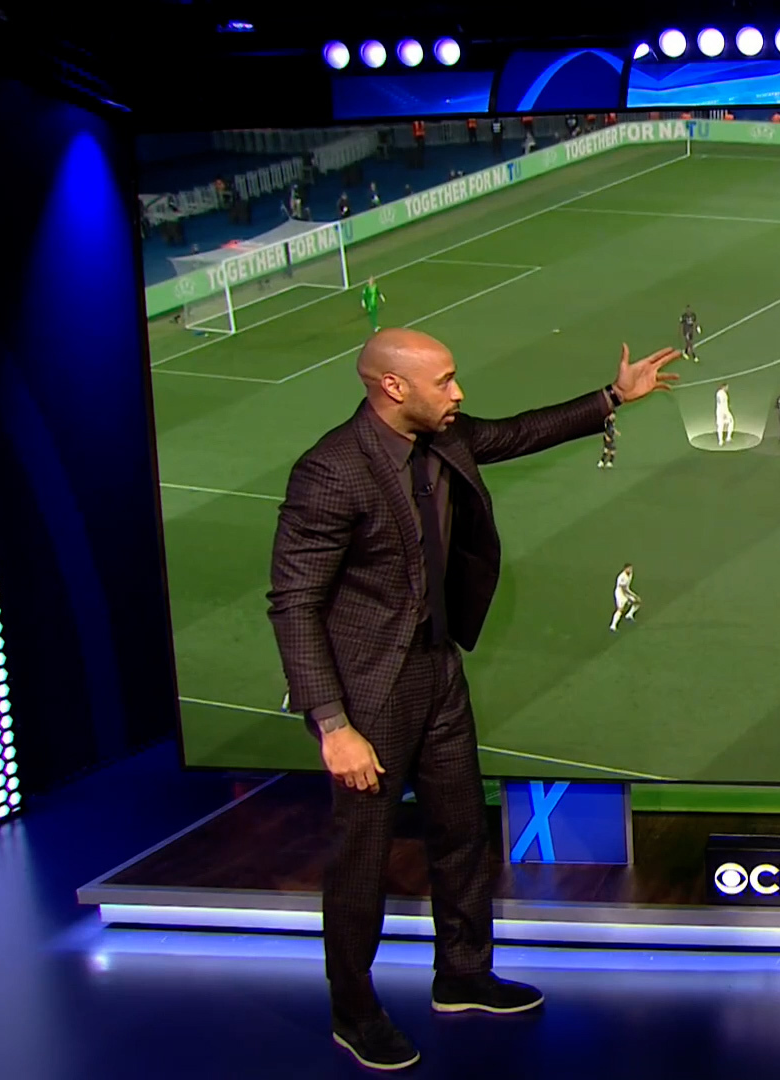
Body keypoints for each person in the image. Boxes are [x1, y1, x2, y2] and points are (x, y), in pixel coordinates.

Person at [269, 329, 680, 1072]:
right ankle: (353, 1011)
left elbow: (518, 432)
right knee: (361, 856)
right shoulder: (332, 470)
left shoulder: (446, 438)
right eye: (445, 381)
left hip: (438, 671)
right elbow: (294, 603)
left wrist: (613, 397)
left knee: (460, 830)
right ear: (393, 387)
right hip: (369, 695)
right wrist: (332, 724)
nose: (458, 394)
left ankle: (462, 974)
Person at [609, 563, 640, 631]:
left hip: (626, 591)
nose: (631, 570)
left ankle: (629, 615)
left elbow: (626, 588)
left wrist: (632, 596)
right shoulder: (621, 577)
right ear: (625, 569)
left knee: (637, 602)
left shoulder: (630, 574)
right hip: (620, 593)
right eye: (629, 569)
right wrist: (630, 596)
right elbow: (623, 589)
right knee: (620, 609)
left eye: (631, 568)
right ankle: (613, 626)